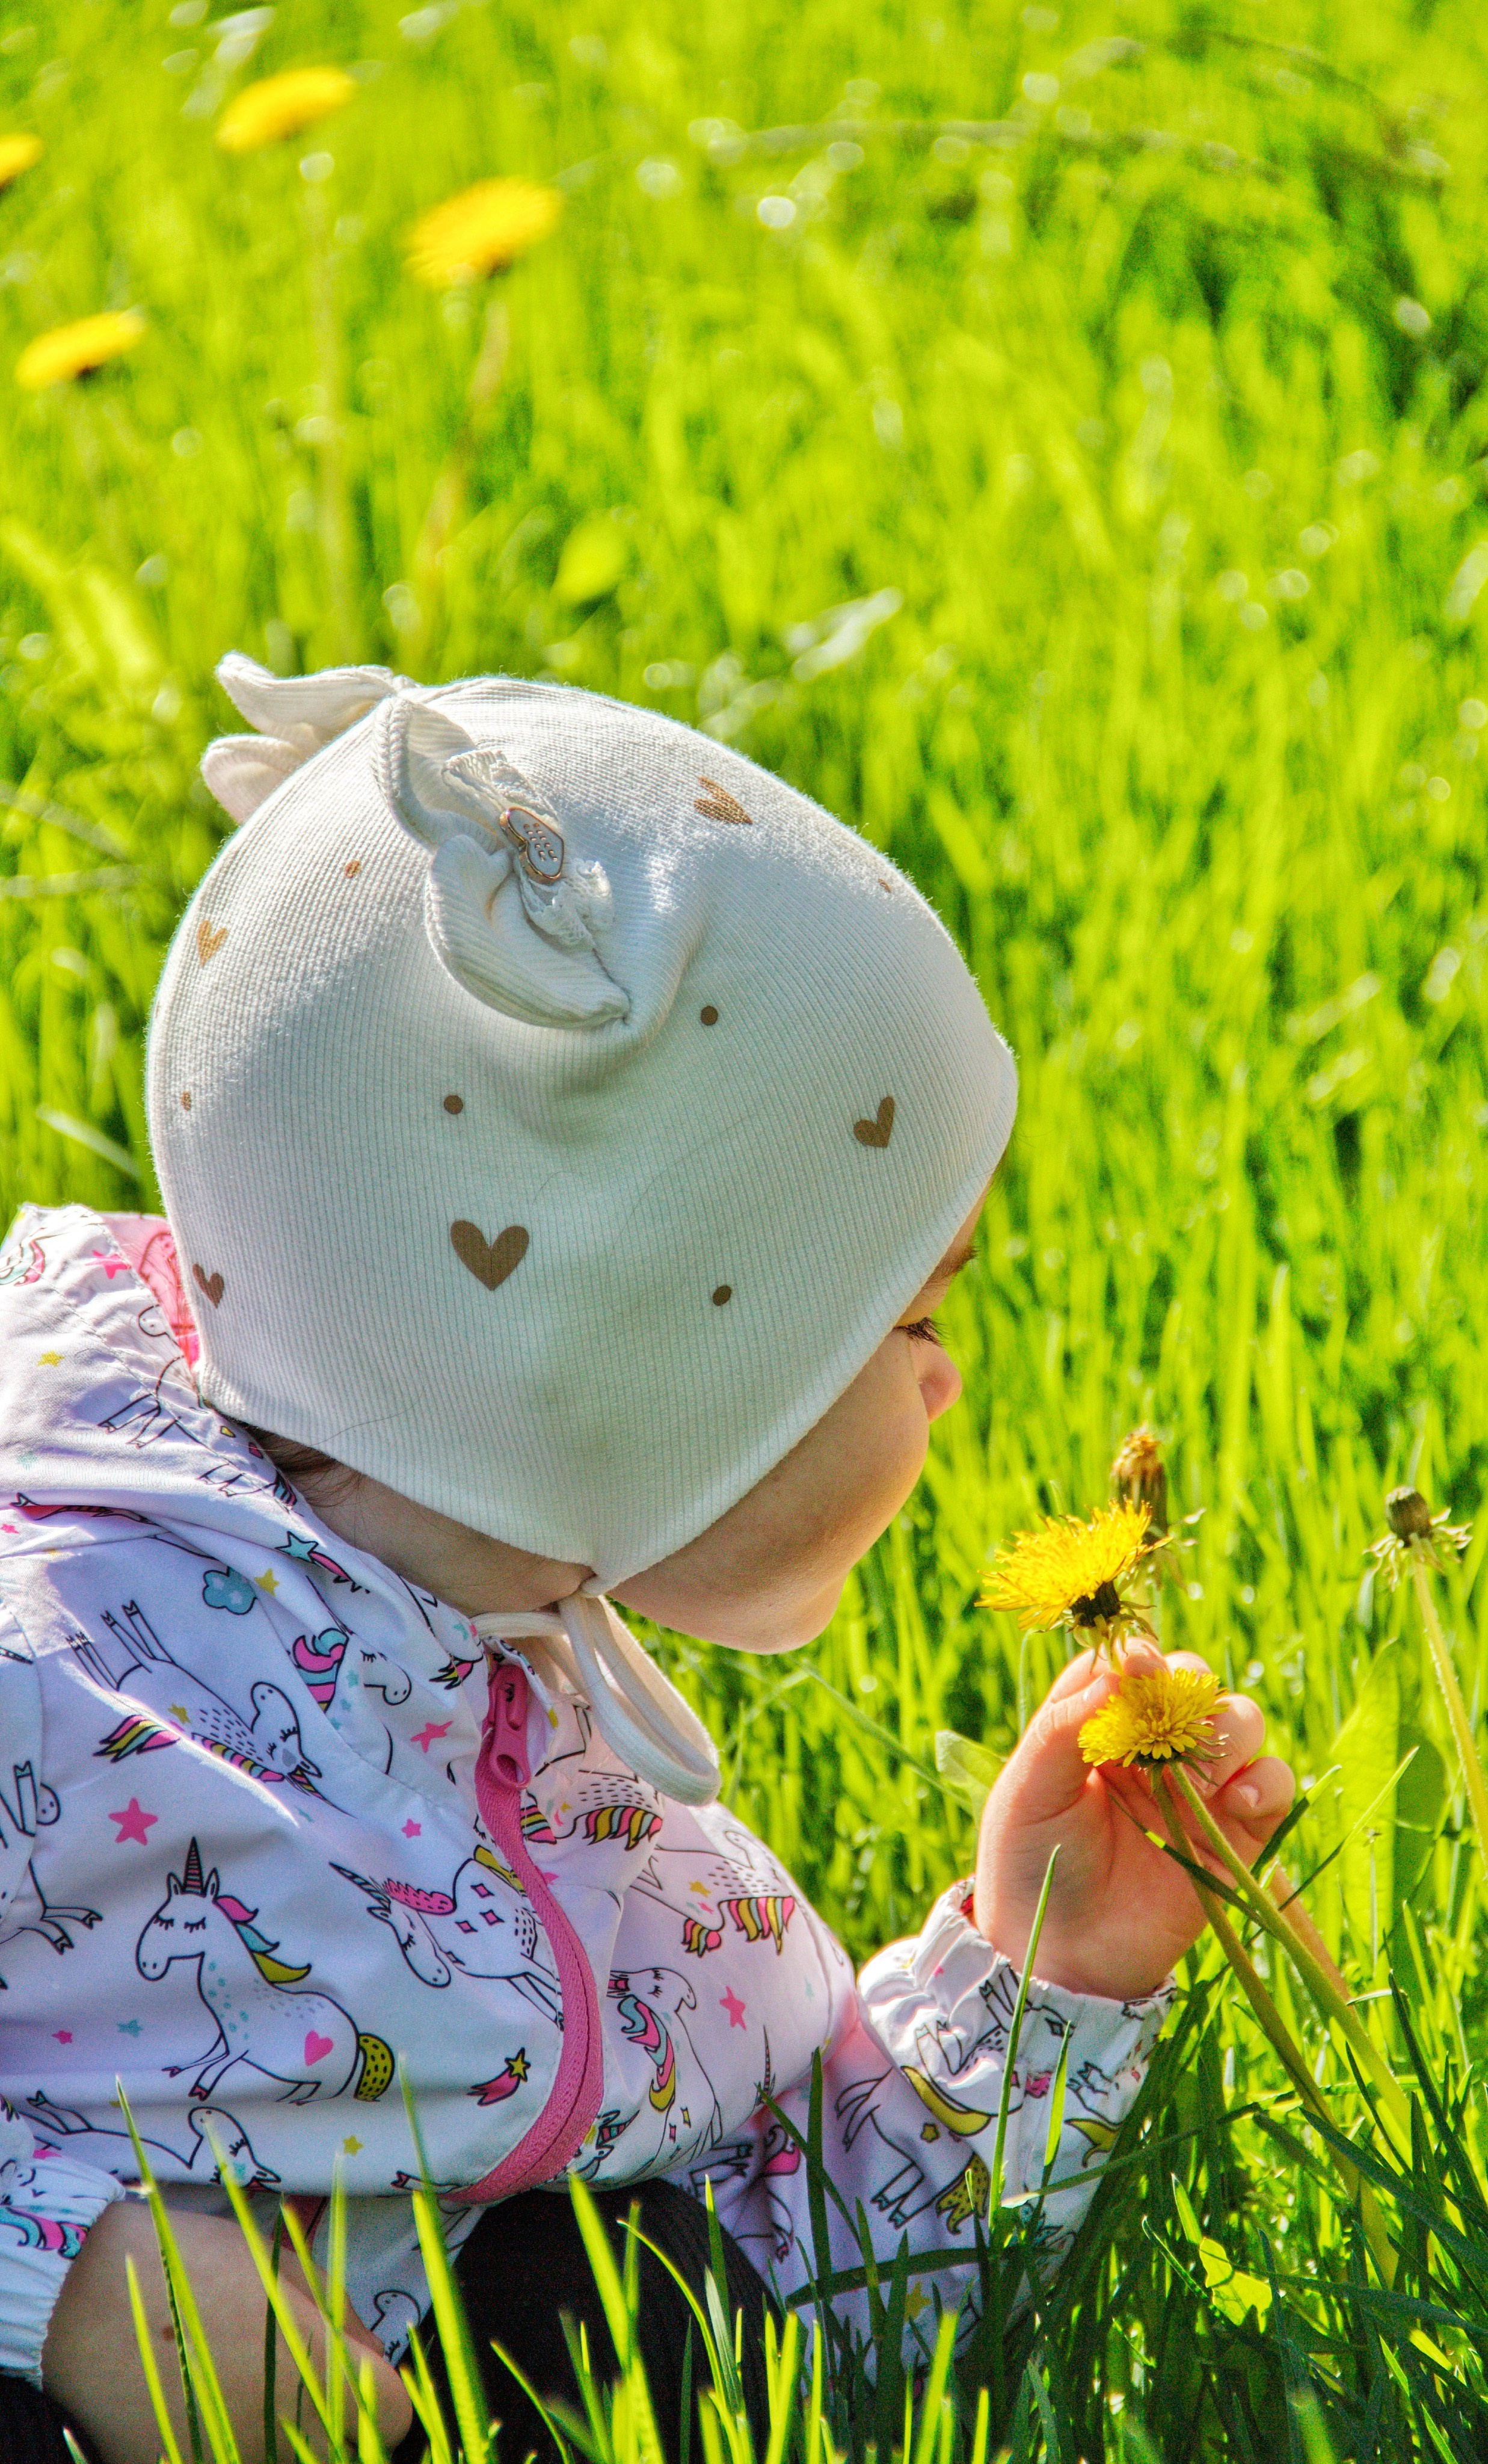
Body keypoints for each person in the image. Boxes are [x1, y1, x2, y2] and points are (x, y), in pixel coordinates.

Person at [0, 658, 1294, 2464]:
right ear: (629, 1362)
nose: (946, 1377)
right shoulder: (55, 1680)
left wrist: (1038, 1979)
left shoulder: (492, 1681)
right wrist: (82, 2290)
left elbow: (784, 2303)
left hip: (460, 2341)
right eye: (904, 1314)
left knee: (612, 2295)